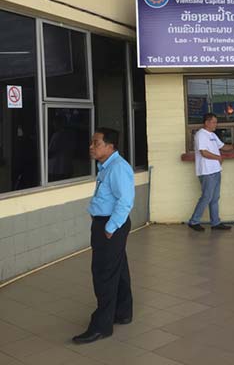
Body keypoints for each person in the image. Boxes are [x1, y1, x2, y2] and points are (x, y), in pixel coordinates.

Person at [73, 128, 134, 344]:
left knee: (103, 274)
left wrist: (110, 227)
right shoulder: (106, 166)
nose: (91, 146)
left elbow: (125, 201)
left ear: (110, 146)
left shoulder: (117, 168)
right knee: (118, 268)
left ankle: (102, 325)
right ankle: (123, 312)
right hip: (106, 223)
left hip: (110, 226)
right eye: (92, 142)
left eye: (96, 143)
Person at [188, 113, 234, 232]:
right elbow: (203, 152)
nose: (216, 124)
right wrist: (218, 158)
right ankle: (194, 221)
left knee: (215, 197)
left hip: (215, 170)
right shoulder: (201, 135)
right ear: (207, 122)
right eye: (214, 122)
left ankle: (215, 222)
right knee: (206, 197)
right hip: (206, 171)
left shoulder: (212, 135)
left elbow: (222, 147)